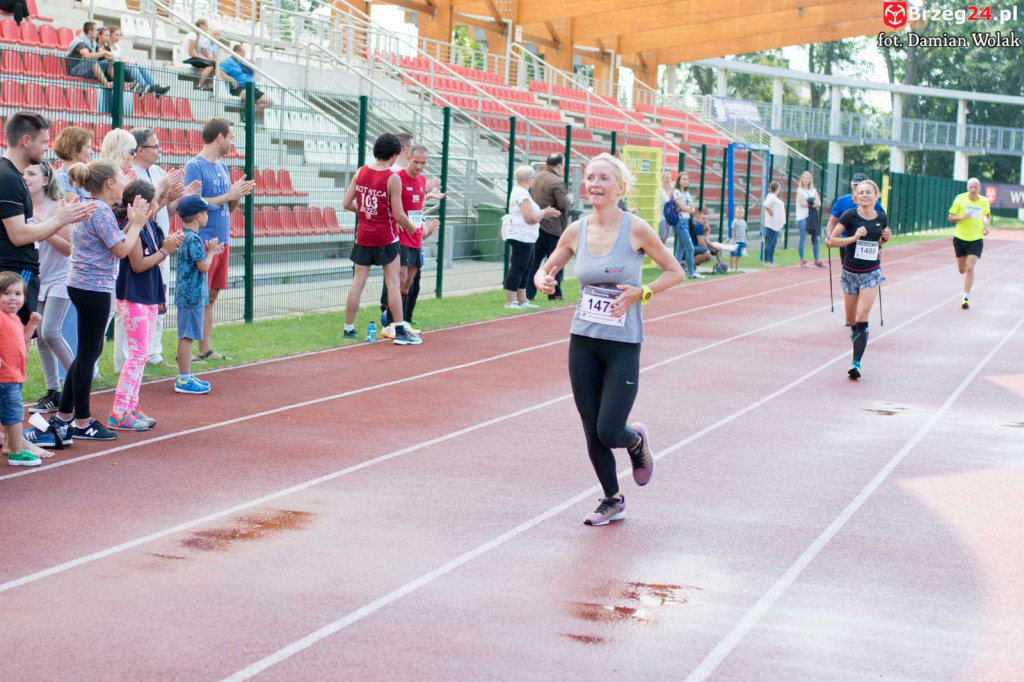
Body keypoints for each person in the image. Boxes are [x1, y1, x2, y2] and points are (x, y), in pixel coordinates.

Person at [533, 153, 685, 526]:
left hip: (622, 344)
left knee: (609, 429)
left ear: (621, 187)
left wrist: (641, 292)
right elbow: (547, 266)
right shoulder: (577, 230)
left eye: (603, 178)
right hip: (584, 339)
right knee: (591, 429)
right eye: (590, 178)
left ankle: (635, 442)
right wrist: (542, 278)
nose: (595, 184)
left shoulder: (636, 229)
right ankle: (612, 499)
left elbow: (675, 271)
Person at [50, 160, 148, 442]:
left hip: (82, 284)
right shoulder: (100, 211)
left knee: (85, 355)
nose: (123, 183)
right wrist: (137, 224)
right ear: (108, 183)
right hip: (93, 288)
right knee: (89, 356)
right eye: (120, 178)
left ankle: (65, 416)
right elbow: (120, 250)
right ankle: (82, 422)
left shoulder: (90, 207)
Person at [0, 113, 94, 326]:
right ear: (26, 141)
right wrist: (59, 220)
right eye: (43, 141)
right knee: (12, 343)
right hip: (14, 272)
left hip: (17, 272)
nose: (46, 147)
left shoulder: (13, 176)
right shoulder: (8, 179)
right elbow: (18, 235)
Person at [110, 181, 185, 426]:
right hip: (134, 296)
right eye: (153, 201)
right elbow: (138, 264)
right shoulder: (132, 227)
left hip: (149, 295)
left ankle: (131, 407)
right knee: (138, 355)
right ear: (141, 203)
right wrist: (166, 251)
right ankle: (119, 412)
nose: (157, 205)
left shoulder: (149, 224)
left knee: (141, 356)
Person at [120, 127, 194, 372]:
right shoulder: (130, 174)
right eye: (155, 146)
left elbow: (162, 209)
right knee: (131, 305)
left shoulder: (159, 171)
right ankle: (127, 358)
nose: (160, 151)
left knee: (158, 300)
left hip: (159, 240)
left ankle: (153, 352)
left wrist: (180, 199)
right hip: (140, 242)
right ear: (140, 149)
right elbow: (142, 211)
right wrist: (161, 190)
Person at [341, 133, 421, 346]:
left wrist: (367, 212)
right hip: (386, 236)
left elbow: (346, 203)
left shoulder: (361, 171)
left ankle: (348, 328)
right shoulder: (392, 178)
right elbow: (398, 215)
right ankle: (401, 330)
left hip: (364, 235)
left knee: (358, 281)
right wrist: (413, 228)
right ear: (395, 154)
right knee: (393, 282)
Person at [184, 118, 253, 361]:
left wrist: (237, 194)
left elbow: (227, 206)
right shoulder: (195, 166)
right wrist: (228, 195)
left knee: (211, 296)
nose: (233, 142)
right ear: (219, 137)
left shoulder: (223, 167)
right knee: (196, 295)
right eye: (231, 137)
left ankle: (205, 349)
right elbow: (192, 204)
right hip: (203, 240)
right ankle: (187, 350)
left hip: (222, 240)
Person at [23, 161, 74, 415]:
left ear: (45, 180)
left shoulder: (59, 207)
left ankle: (77, 386)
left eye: (31, 173)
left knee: (51, 331)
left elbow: (68, 248)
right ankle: (53, 392)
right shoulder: (20, 207)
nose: (25, 177)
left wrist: (46, 227)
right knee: (41, 337)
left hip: (60, 278)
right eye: (23, 173)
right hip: (37, 278)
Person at [827, 179, 892, 380]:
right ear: (856, 196)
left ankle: (856, 363)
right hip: (850, 272)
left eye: (868, 192)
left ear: (876, 196)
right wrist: (853, 238)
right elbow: (831, 242)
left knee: (862, 316)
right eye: (861, 192)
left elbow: (877, 243)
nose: (864, 195)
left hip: (871, 273)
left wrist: (883, 240)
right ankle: (856, 332)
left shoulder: (882, 218)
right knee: (851, 319)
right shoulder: (849, 216)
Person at [380, 145, 442, 339]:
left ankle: (402, 320)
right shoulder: (397, 178)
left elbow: (418, 203)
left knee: (408, 282)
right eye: (416, 162)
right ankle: (391, 323)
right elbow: (386, 202)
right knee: (400, 278)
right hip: (402, 237)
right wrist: (394, 220)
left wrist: (423, 228)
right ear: (408, 158)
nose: (419, 166)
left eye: (423, 163)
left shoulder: (422, 180)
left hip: (416, 236)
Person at [0, 272, 41, 466]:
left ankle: (9, 444)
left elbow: (23, 342)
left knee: (9, 413)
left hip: (14, 376)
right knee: (15, 414)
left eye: (18, 293)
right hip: (5, 377)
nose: (13, 298)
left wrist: (31, 325)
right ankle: (17, 452)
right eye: (7, 293)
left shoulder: (14, 318)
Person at [505, 165, 559, 310]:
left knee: (527, 267)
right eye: (534, 177)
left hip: (527, 236)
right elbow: (530, 217)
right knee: (518, 267)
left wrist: (542, 212)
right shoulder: (522, 194)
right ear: (529, 179)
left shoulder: (522, 193)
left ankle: (522, 299)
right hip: (521, 236)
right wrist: (544, 213)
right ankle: (511, 301)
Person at [526, 153, 572, 302]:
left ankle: (529, 293)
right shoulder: (557, 182)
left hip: (537, 225)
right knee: (555, 262)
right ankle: (555, 293)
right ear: (559, 166)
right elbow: (564, 205)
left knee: (534, 262)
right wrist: (569, 199)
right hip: (553, 228)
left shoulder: (537, 177)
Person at [948, 177, 990, 310]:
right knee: (962, 269)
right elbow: (950, 217)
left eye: (975, 187)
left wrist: (986, 226)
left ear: (979, 188)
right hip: (960, 238)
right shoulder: (960, 199)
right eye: (970, 187)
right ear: (967, 188)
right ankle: (965, 292)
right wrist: (962, 217)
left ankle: (965, 297)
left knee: (970, 267)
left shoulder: (984, 201)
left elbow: (987, 215)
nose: (973, 189)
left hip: (976, 239)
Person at [827, 172, 885, 261]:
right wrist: (828, 236)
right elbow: (832, 222)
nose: (859, 186)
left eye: (862, 184)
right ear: (852, 185)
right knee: (850, 268)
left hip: (868, 244)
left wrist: (880, 246)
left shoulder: (875, 203)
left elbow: (881, 224)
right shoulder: (842, 201)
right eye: (856, 184)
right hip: (846, 243)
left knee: (869, 269)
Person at [108, 27, 169, 95]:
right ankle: (144, 86)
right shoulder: (106, 47)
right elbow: (111, 61)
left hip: (122, 66)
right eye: (116, 35)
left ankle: (156, 88)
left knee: (141, 67)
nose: (118, 37)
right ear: (110, 35)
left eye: (119, 35)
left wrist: (126, 63)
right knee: (132, 68)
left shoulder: (117, 47)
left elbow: (121, 59)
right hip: (116, 68)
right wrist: (123, 63)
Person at [219, 44, 273, 113]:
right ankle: (248, 116)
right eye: (243, 51)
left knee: (269, 101)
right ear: (238, 52)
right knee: (249, 97)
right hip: (239, 88)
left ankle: (248, 113)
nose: (245, 54)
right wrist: (231, 79)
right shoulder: (228, 62)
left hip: (252, 87)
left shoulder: (245, 62)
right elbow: (220, 72)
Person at [65, 21, 113, 86]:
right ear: (90, 32)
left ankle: (118, 85)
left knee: (107, 62)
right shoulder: (80, 42)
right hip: (74, 70)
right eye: (96, 30)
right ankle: (106, 84)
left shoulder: (93, 42)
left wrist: (110, 57)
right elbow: (87, 56)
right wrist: (104, 53)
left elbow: (101, 51)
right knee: (92, 62)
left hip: (86, 68)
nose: (97, 32)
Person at [672, 172, 700, 279]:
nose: (685, 181)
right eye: (683, 179)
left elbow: (693, 208)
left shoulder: (687, 194)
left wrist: (689, 210)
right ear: (679, 180)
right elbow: (683, 207)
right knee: (690, 247)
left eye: (687, 179)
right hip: (680, 222)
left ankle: (675, 272)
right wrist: (689, 210)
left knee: (680, 248)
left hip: (686, 221)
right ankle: (691, 272)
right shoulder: (677, 192)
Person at [52, 126, 93, 199]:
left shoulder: (84, 175)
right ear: (75, 150)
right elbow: (75, 207)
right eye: (88, 147)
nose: (91, 152)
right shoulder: (63, 177)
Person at [796, 171, 823, 268]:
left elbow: (819, 203)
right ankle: (802, 260)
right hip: (802, 216)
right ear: (802, 179)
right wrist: (811, 203)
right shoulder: (799, 190)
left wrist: (811, 203)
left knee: (816, 238)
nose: (806, 180)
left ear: (810, 179)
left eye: (808, 178)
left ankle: (816, 259)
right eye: (804, 178)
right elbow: (801, 204)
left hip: (812, 217)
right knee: (802, 238)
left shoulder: (813, 190)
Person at [182, 18, 216, 90]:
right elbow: (191, 53)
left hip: (193, 57)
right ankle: (199, 85)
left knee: (214, 64)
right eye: (206, 26)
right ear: (201, 25)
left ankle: (210, 86)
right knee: (210, 64)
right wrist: (205, 59)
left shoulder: (200, 36)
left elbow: (198, 53)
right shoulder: (192, 35)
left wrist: (207, 58)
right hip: (188, 58)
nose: (207, 28)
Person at [761, 181, 785, 267]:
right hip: (771, 224)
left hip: (776, 224)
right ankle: (767, 260)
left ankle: (771, 260)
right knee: (770, 242)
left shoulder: (775, 197)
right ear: (778, 188)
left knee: (773, 243)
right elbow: (766, 205)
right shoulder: (771, 196)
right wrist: (770, 212)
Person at [729, 205, 748, 272]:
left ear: (743, 214)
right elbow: (733, 231)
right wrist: (733, 239)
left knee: (739, 255)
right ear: (735, 213)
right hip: (736, 241)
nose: (740, 214)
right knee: (733, 254)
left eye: (741, 212)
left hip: (742, 241)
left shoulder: (744, 222)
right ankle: (732, 267)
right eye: (738, 212)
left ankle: (737, 267)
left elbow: (744, 232)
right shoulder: (734, 221)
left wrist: (745, 239)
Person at [656, 169, 672, 244]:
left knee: (666, 238)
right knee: (661, 238)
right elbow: (668, 201)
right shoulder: (660, 190)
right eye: (666, 178)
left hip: (668, 217)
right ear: (662, 179)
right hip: (661, 216)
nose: (668, 180)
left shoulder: (670, 189)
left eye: (669, 178)